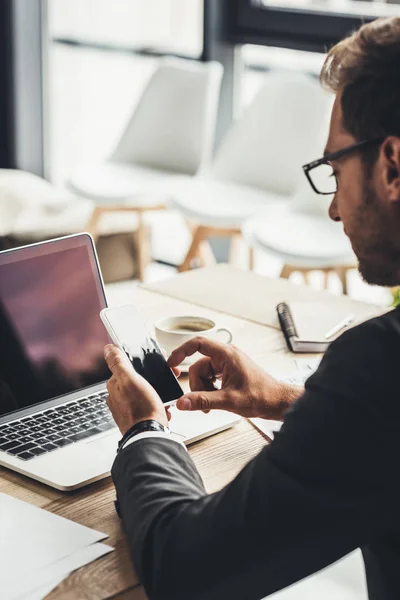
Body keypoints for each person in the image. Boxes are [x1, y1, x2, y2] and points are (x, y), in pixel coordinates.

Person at [104, 17, 400, 600]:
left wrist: (144, 431)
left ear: (392, 166)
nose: (335, 210)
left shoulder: (379, 365)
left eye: (335, 171)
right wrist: (292, 401)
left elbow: (188, 569)